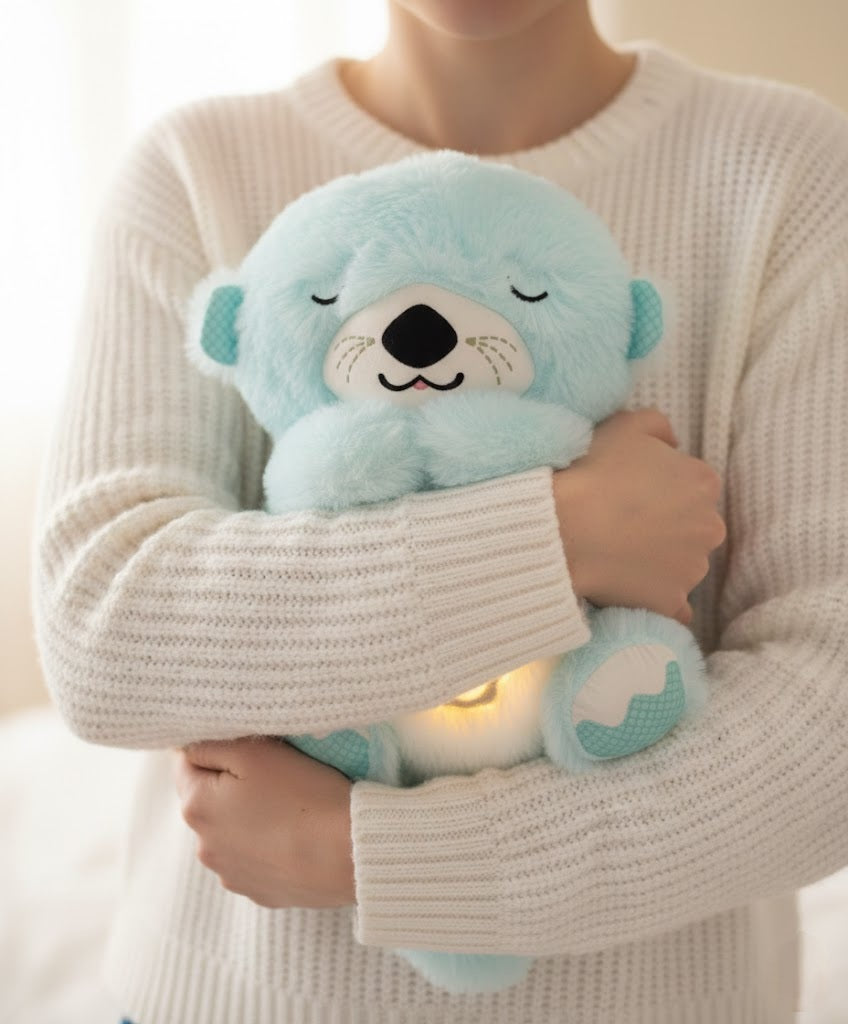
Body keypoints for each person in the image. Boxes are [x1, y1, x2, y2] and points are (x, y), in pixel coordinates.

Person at [32, 1, 848, 1021]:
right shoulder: (196, 166)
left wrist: (379, 857)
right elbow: (105, 629)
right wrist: (561, 541)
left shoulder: (786, 168)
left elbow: (830, 718)